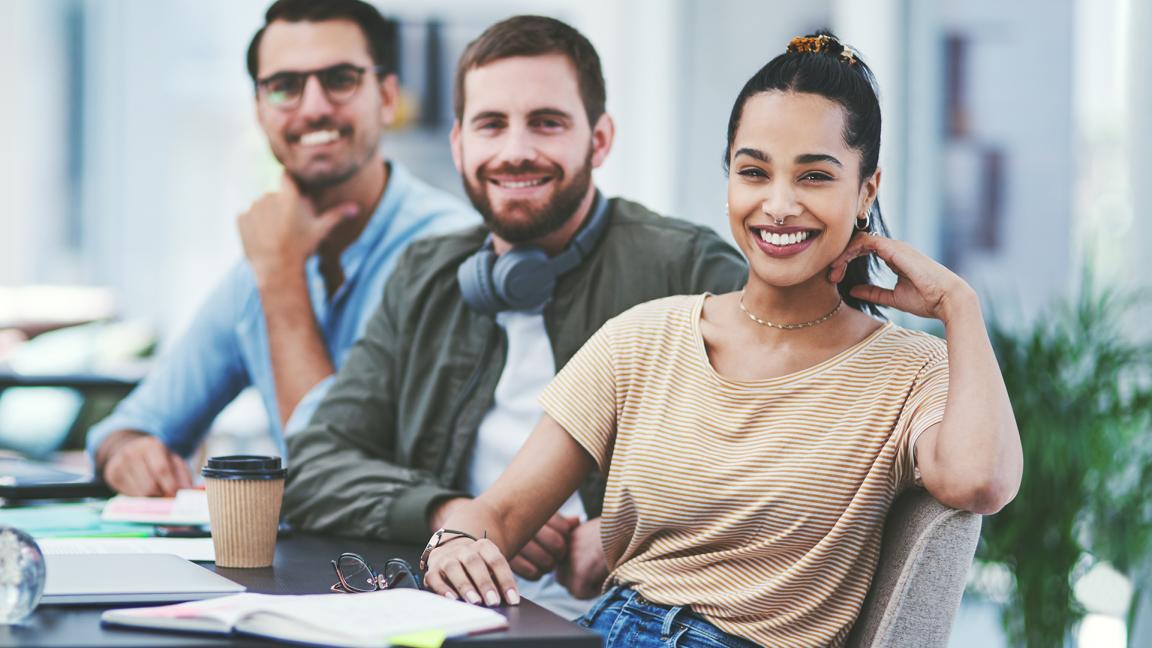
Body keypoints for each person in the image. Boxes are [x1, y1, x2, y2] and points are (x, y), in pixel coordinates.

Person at [421, 32, 1024, 647]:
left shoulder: (911, 370)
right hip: (601, 630)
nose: (779, 205)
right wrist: (457, 541)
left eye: (815, 176)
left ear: (866, 189)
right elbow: (499, 512)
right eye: (754, 172)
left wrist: (959, 305)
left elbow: (980, 483)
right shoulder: (643, 338)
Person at [282, 16, 746, 618]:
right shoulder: (424, 274)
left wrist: (632, 530)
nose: (516, 151)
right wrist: (454, 514)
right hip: (454, 613)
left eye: (547, 122)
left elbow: (792, 449)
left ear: (600, 140)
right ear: (459, 144)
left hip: (631, 622)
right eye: (491, 124)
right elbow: (313, 463)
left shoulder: (687, 267)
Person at [85, 0, 477, 497]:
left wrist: (282, 277)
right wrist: (129, 451)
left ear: (386, 96)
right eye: (285, 86)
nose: (313, 107)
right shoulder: (267, 255)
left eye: (340, 79)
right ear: (259, 110)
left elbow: (347, 480)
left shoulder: (450, 252)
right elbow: (132, 424)